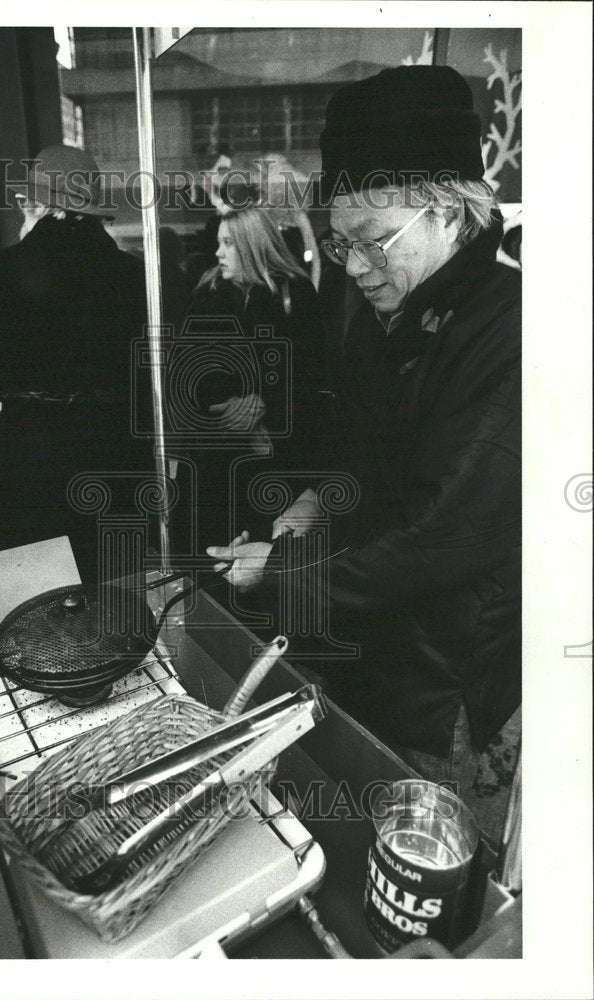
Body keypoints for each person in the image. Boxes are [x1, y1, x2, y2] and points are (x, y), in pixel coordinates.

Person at [207, 66, 521, 821]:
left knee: (420, 845)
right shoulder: (388, 312)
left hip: (445, 677)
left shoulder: (512, 331)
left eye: (373, 242)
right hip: (369, 639)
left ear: (450, 215)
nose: (353, 266)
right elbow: (366, 453)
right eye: (343, 243)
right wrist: (315, 502)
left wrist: (284, 573)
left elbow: (443, 535)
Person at [0, 144, 149, 582]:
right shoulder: (130, 273)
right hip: (115, 453)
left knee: (34, 600)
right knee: (115, 591)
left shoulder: (7, 268)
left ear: (40, 206)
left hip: (35, 455)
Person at [174, 206, 324, 555]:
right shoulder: (207, 296)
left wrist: (264, 404)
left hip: (280, 458)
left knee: (266, 557)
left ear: (253, 245)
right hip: (214, 460)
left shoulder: (295, 296)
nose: (218, 252)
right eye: (218, 243)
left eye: (228, 243)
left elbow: (314, 376)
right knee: (207, 554)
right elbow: (185, 371)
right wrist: (226, 406)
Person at [256, 153, 322, 291]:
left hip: (292, 282)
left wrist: (313, 289)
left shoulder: (297, 215)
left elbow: (313, 257)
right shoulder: (263, 214)